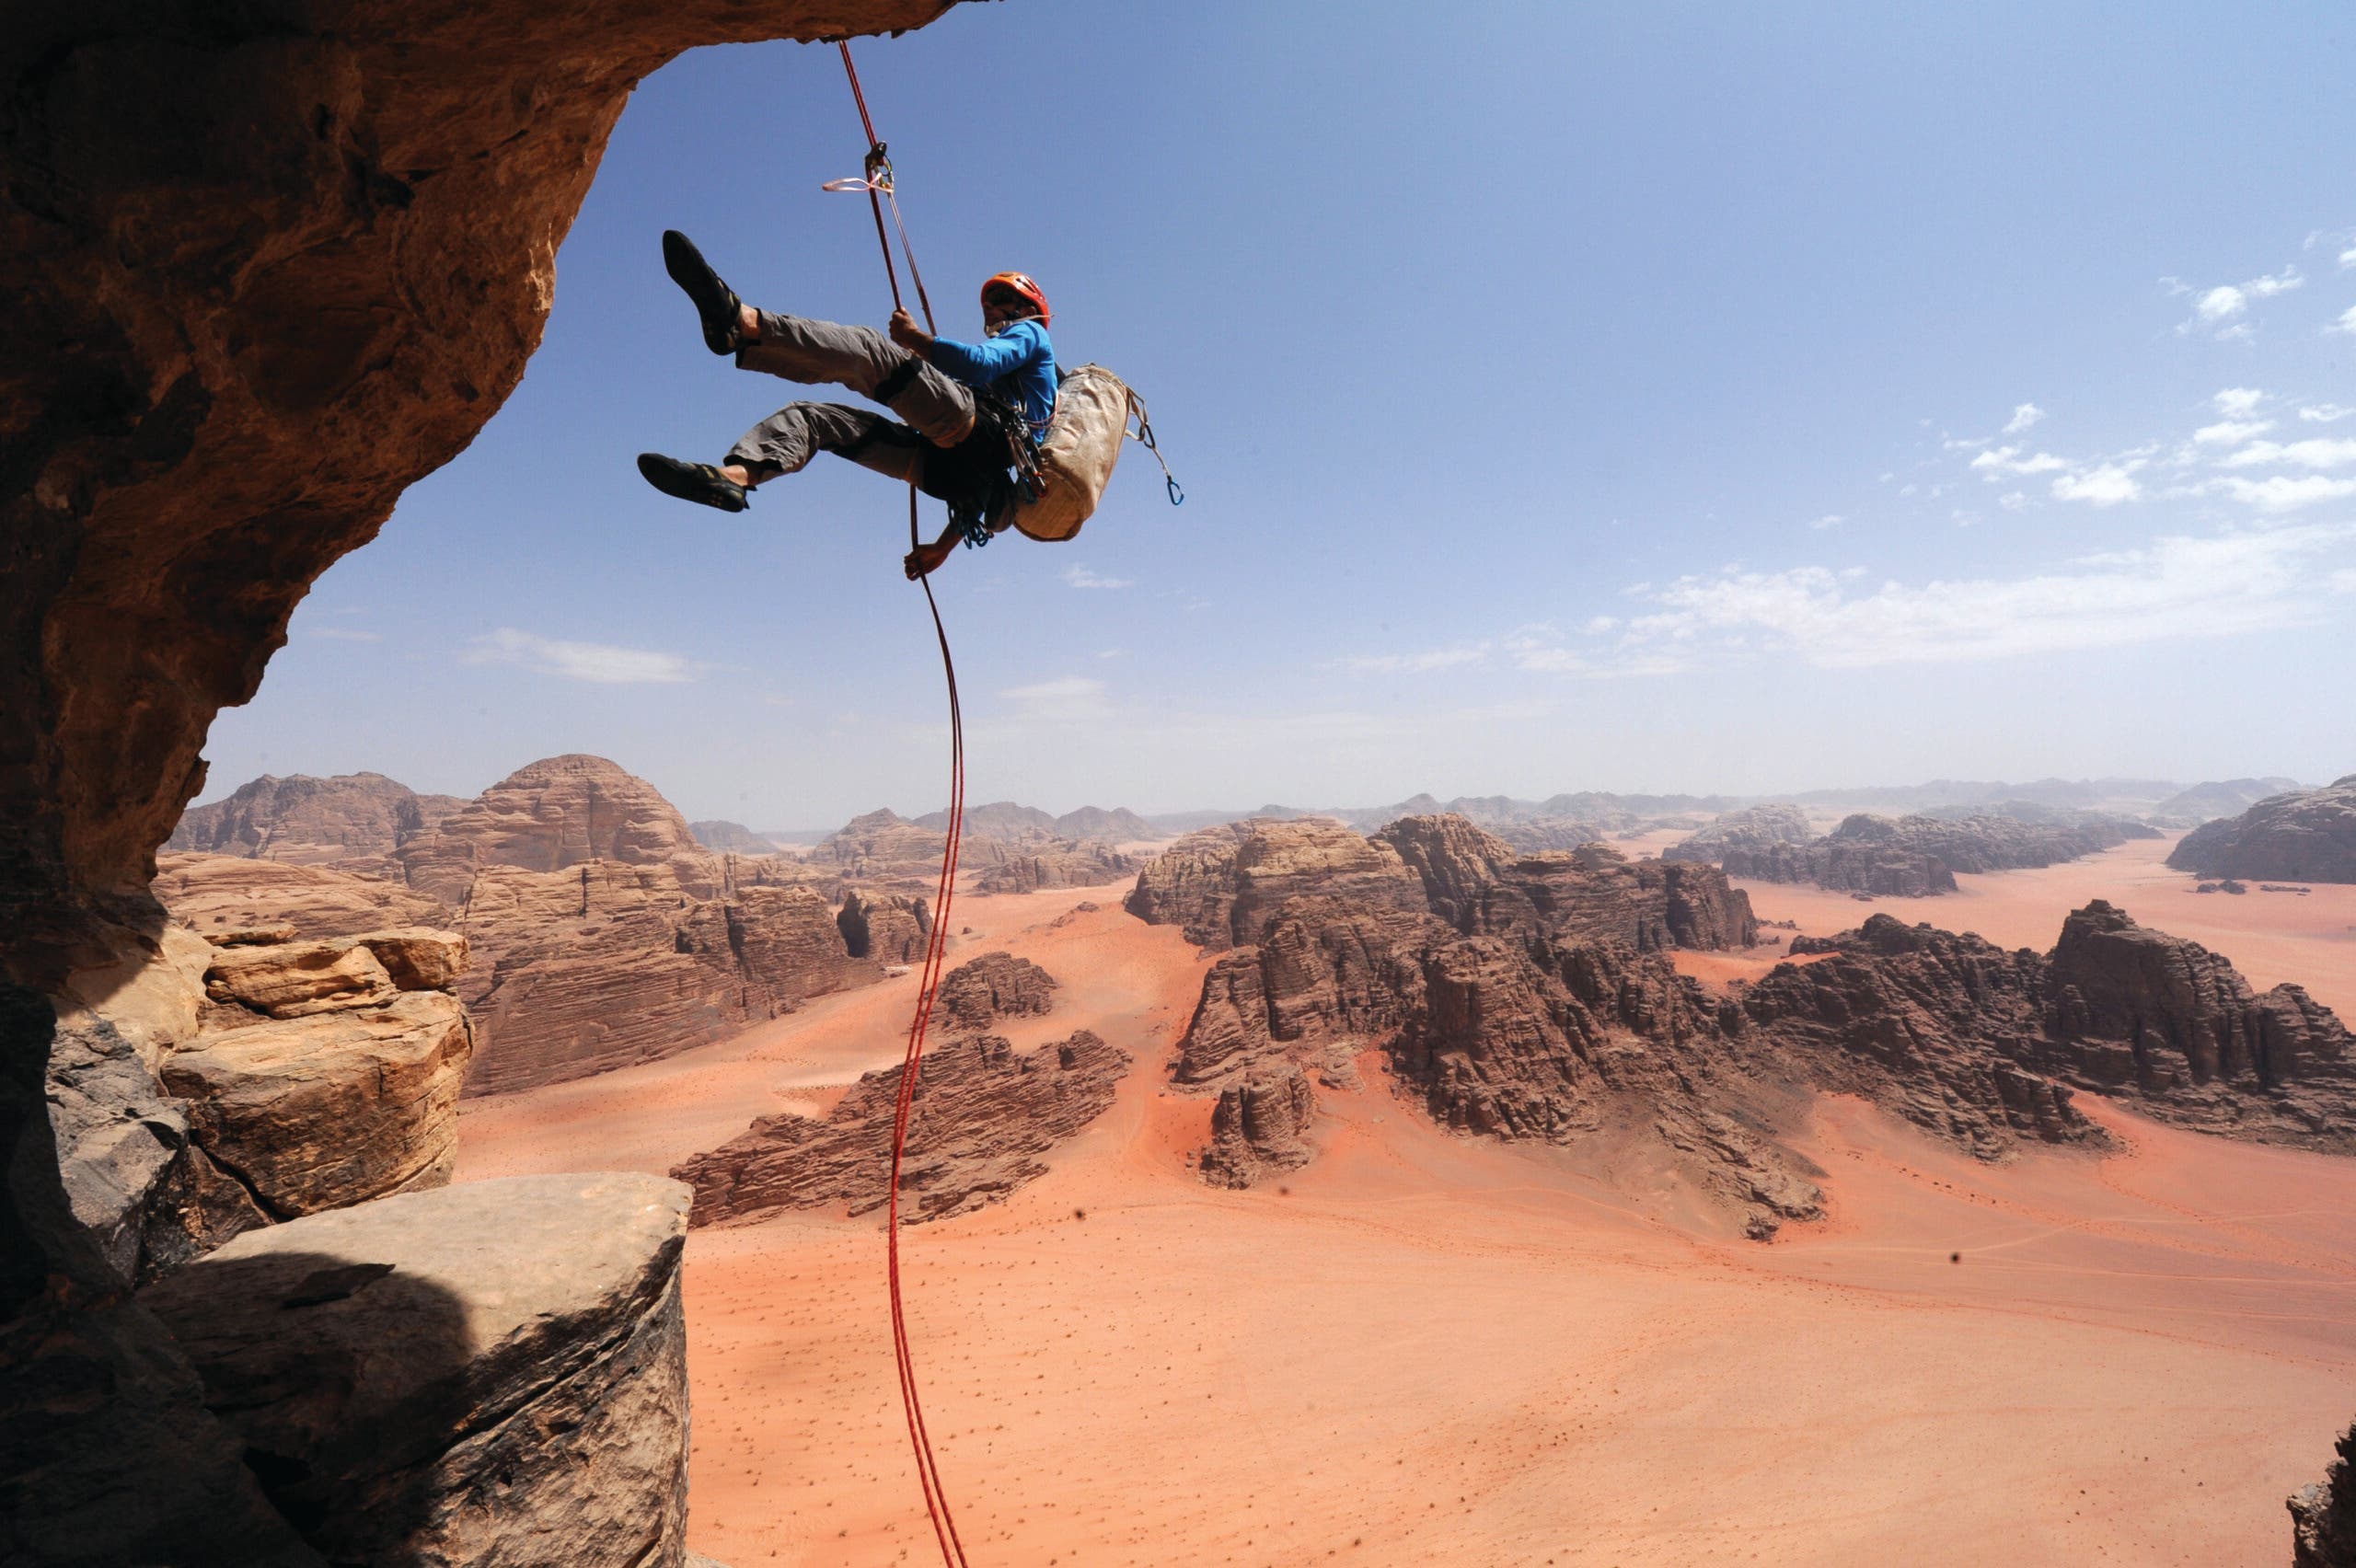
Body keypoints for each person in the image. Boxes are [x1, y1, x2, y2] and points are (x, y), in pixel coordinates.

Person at [636, 230, 1057, 579]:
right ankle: (736, 477)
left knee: (873, 352)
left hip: (977, 436)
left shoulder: (1032, 335)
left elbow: (980, 364)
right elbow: (978, 489)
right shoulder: (1021, 394)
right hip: (955, 471)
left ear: (1026, 308)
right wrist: (941, 549)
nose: (991, 310)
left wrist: (915, 341)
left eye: (999, 301)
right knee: (818, 420)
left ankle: (743, 324)